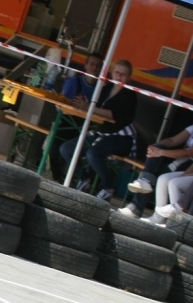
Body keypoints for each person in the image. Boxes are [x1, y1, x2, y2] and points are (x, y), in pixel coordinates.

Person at [58, 59, 137, 201]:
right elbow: (95, 107)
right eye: (117, 72)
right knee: (66, 148)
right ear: (112, 73)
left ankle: (108, 187)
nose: (119, 76)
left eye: (123, 74)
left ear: (129, 78)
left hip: (121, 137)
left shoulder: (130, 95)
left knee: (92, 154)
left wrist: (89, 107)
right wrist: (83, 103)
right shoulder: (105, 89)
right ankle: (83, 179)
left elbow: (114, 115)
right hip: (101, 132)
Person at [46, 52, 103, 183]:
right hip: (68, 122)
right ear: (86, 66)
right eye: (92, 64)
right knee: (54, 144)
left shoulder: (102, 89)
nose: (94, 68)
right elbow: (59, 106)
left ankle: (83, 179)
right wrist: (73, 107)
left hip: (88, 127)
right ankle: (57, 178)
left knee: (90, 150)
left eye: (98, 66)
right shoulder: (73, 82)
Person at [118, 124, 193, 218]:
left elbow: (188, 153)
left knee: (156, 177)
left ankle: (137, 206)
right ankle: (144, 183)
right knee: (159, 150)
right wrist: (154, 147)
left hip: (188, 167)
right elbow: (172, 140)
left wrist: (160, 152)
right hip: (176, 162)